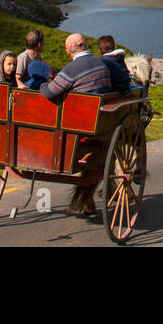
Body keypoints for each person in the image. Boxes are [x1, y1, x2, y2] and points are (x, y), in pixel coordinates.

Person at [39, 34, 114, 215]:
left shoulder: (71, 70)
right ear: (85, 46)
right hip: (101, 124)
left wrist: (43, 84)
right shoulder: (101, 63)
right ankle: (85, 200)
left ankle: (83, 201)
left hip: (78, 130)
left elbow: (50, 93)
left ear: (68, 52)